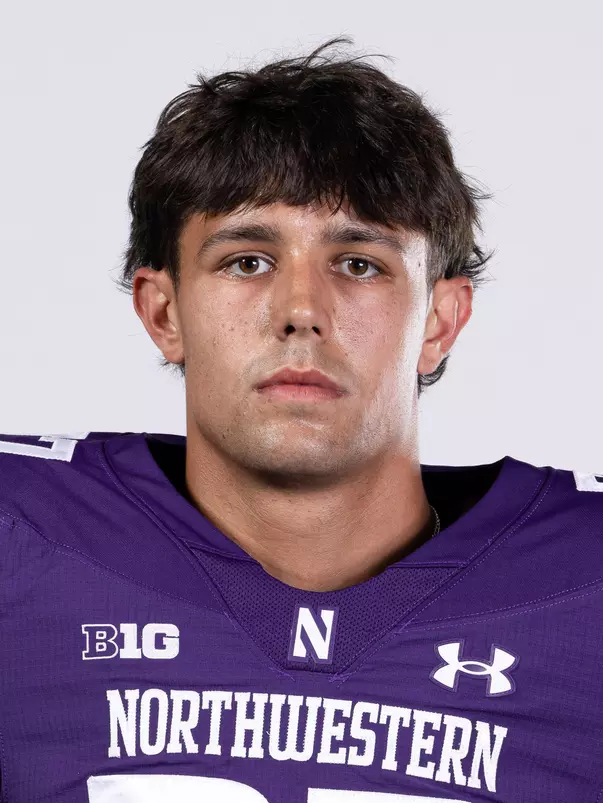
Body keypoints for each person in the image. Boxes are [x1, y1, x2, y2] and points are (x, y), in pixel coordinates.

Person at [0, 36, 601, 803]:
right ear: (163, 310)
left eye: (358, 263)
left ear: (439, 322)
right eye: (247, 260)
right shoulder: (21, 547)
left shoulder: (585, 588)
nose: (301, 312)